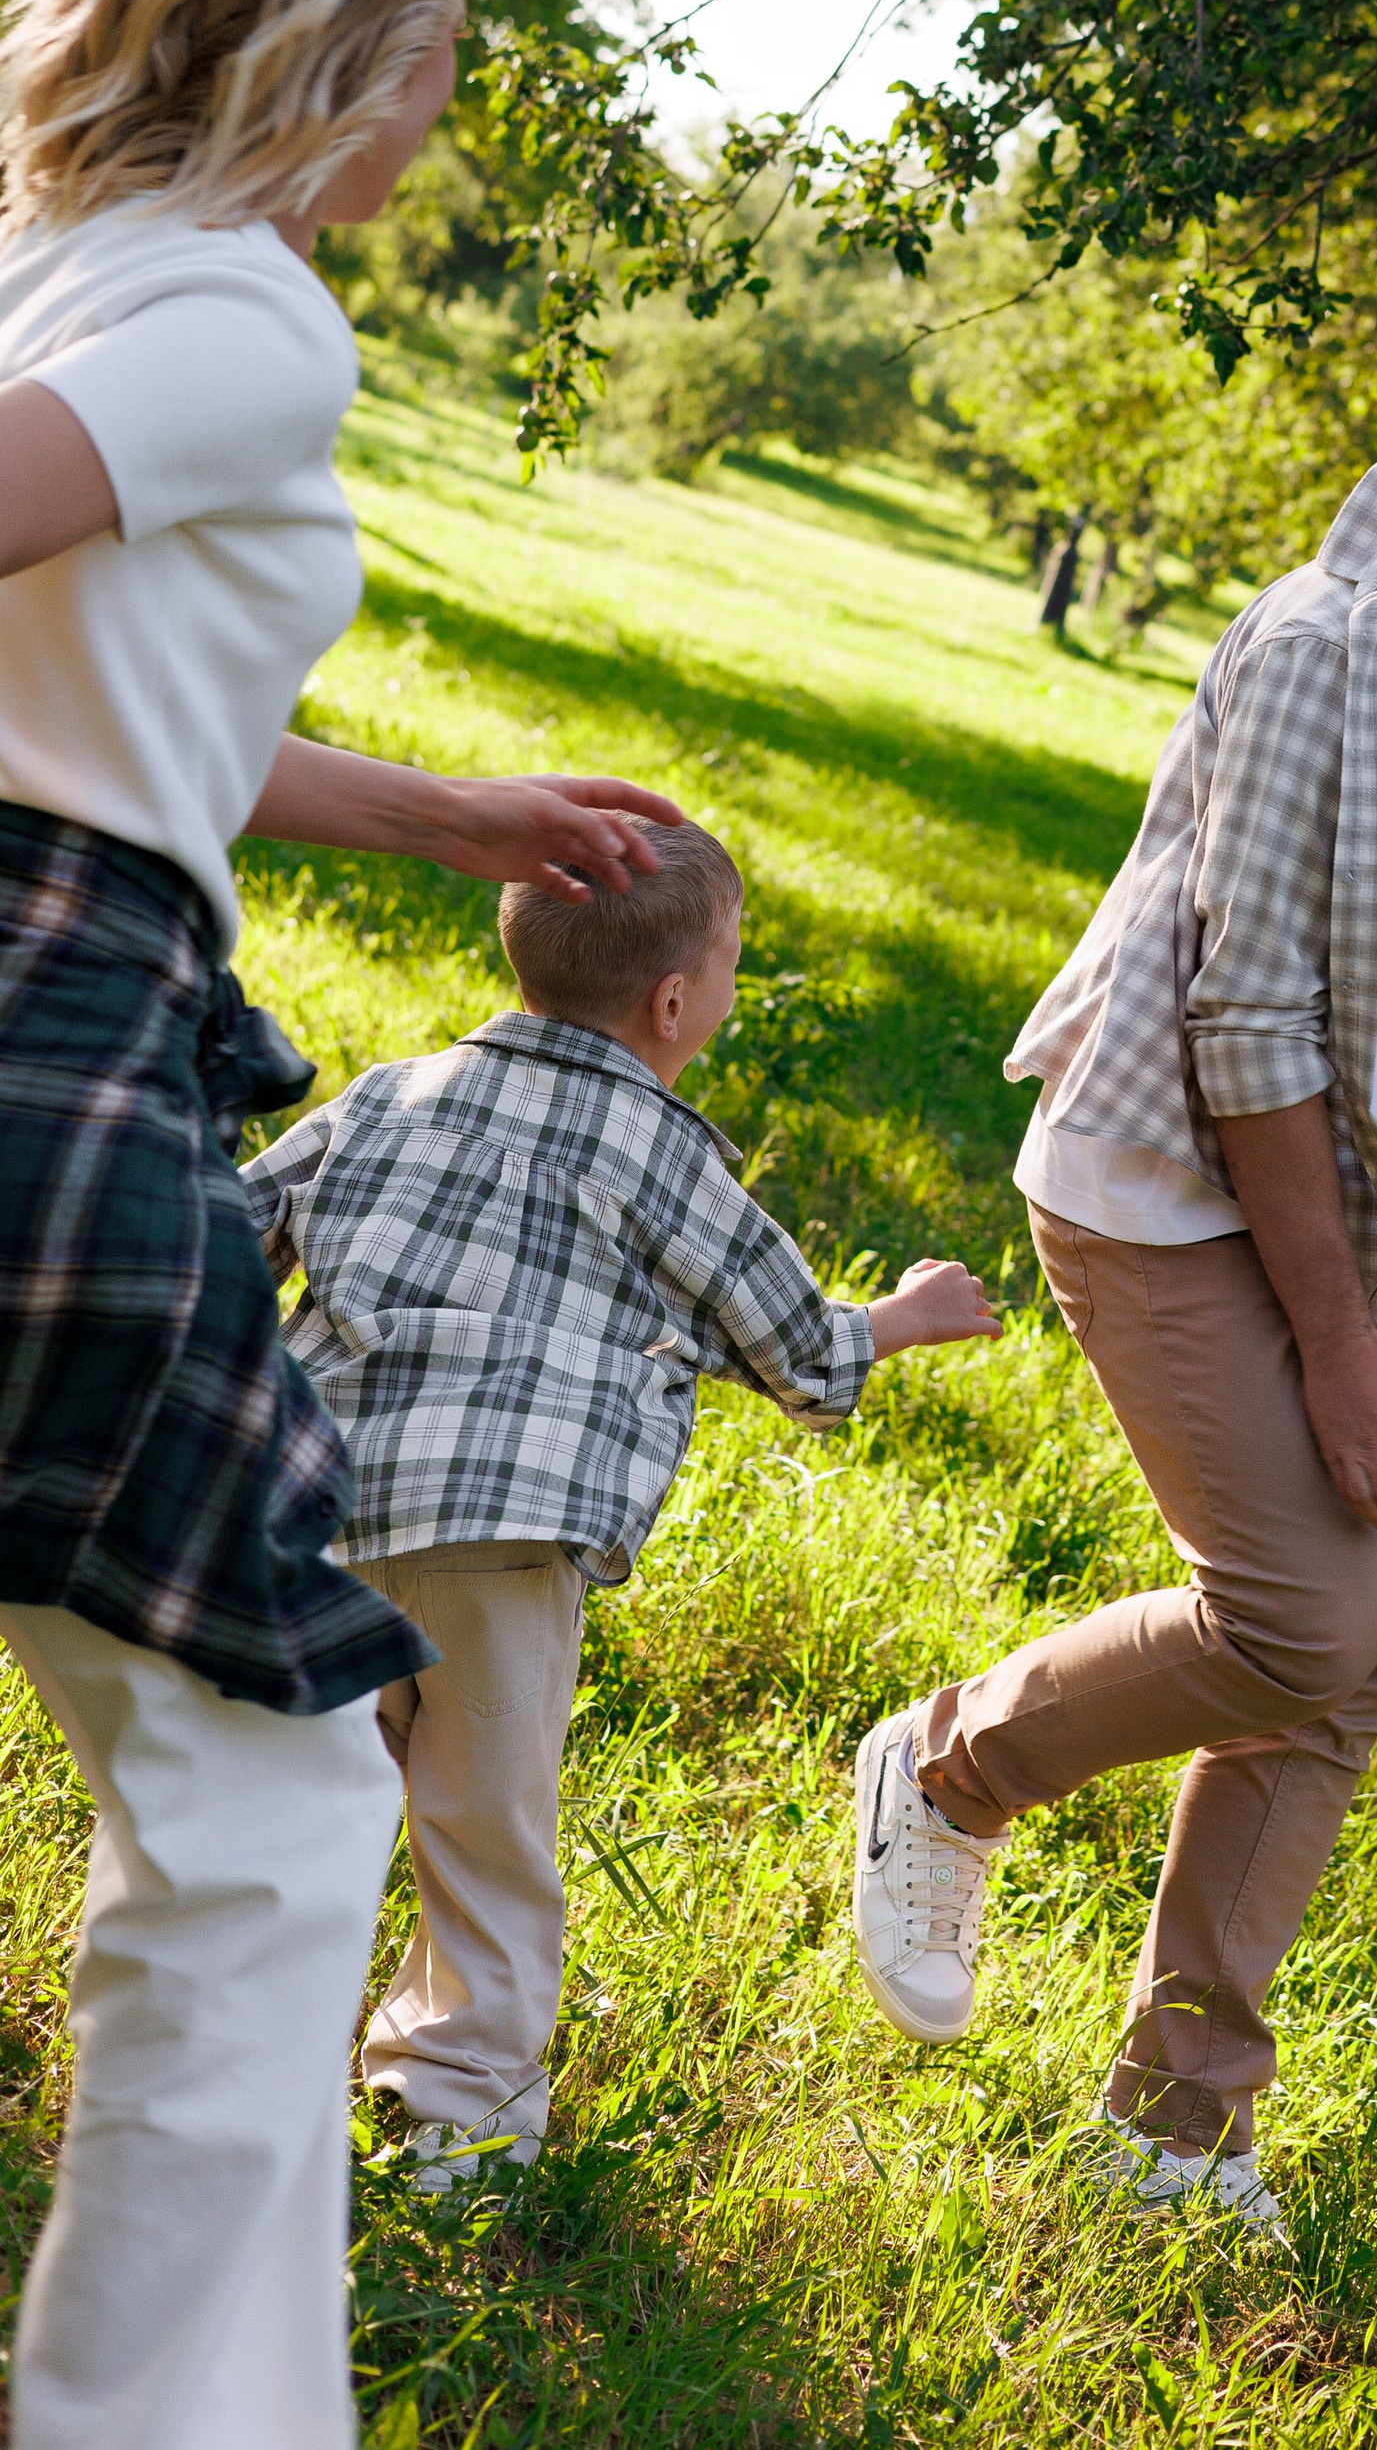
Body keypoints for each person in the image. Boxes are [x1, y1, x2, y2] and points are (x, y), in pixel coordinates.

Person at [0, 0, 692, 2450]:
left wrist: (453, 816)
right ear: (347, 45)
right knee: (275, 1820)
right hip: (56, 1065)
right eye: (440, 37)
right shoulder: (244, 316)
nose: (444, 97)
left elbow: (128, 707)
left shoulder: (53, 256)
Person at [849, 310, 1377, 2231]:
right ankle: (943, 1771)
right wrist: (1341, 1338)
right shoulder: (1325, 656)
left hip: (1331, 1183)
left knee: (1369, 1650)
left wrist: (1376, 1290)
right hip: (1163, 1174)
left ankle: (1171, 2123)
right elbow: (1253, 1028)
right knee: (1307, 1622)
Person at [241, 816, 1000, 2196]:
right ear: (675, 1003)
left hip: (308, 1511)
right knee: (483, 1823)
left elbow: (233, 1235)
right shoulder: (666, 1156)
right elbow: (799, 1352)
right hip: (504, 1546)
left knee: (290, 1798)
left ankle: (237, 2042)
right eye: (729, 965)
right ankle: (454, 2112)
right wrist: (901, 1319)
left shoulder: (388, 1093)